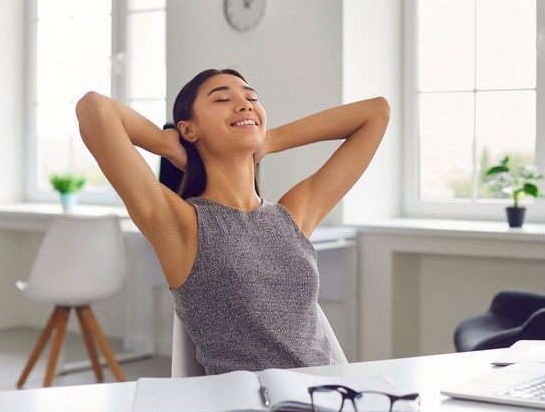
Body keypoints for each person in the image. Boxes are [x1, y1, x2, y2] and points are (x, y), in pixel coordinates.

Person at [76, 68, 389, 374]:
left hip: (324, 395)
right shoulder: (182, 224)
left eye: (251, 98)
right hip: (246, 404)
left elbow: (376, 113)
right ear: (189, 130)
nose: (244, 105)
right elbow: (95, 109)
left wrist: (272, 138)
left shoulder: (291, 216)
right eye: (222, 99)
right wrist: (165, 143)